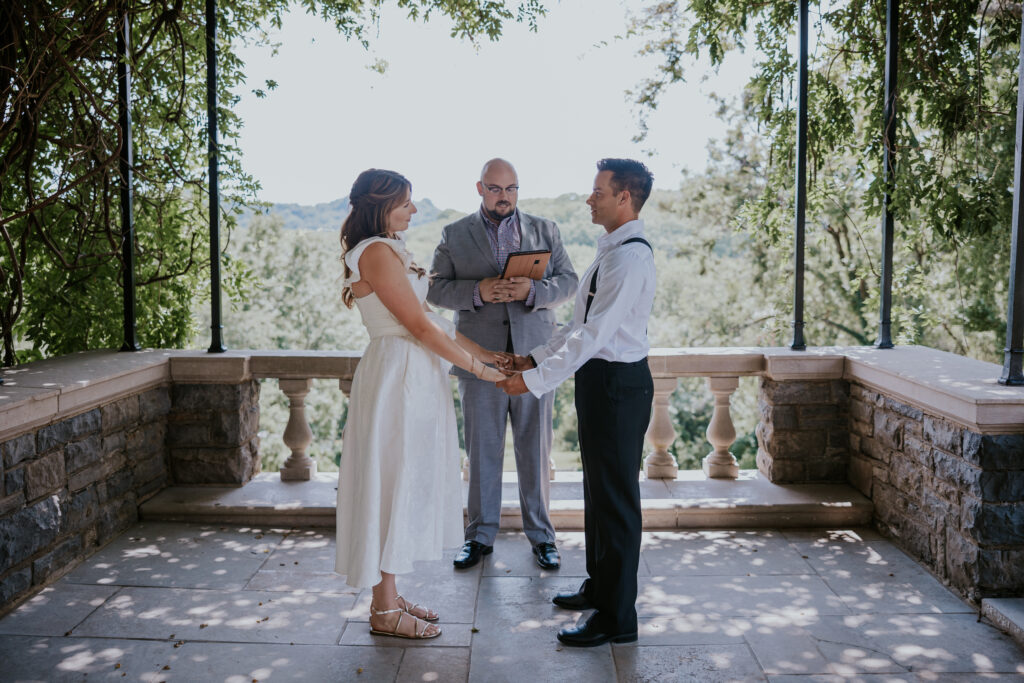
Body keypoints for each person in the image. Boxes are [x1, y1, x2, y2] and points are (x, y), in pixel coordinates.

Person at [334, 168, 506, 641]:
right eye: (407, 202)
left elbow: (435, 321)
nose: (415, 209)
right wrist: (481, 372)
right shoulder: (377, 252)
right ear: (381, 205)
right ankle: (384, 610)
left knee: (401, 479)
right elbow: (419, 327)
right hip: (397, 376)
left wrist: (489, 354)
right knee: (391, 481)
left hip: (411, 373)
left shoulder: (390, 250)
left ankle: (387, 597)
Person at [497, 158, 656, 647]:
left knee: (617, 503)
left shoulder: (629, 257)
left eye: (598, 192)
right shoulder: (612, 252)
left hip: (618, 385)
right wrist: (532, 358)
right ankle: (599, 586)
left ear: (624, 197)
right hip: (599, 382)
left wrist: (538, 380)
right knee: (597, 495)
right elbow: (577, 327)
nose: (590, 199)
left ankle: (616, 618)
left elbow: (595, 335)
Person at [427, 158, 578, 571]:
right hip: (479, 359)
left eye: (511, 189)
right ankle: (478, 535)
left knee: (536, 451)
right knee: (482, 452)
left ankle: (542, 537)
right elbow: (434, 290)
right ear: (480, 189)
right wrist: (478, 292)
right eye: (495, 189)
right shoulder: (454, 234)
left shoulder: (545, 229)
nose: (504, 197)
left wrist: (534, 290)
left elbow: (570, 282)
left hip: (534, 358)